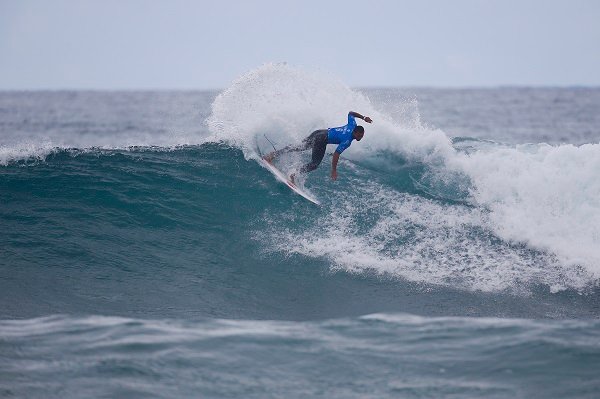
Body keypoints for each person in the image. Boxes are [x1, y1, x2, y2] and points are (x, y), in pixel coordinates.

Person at [263, 111, 372, 184]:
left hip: (319, 132)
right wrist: (334, 170)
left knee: (299, 147)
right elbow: (336, 154)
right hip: (322, 139)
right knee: (314, 164)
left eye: (362, 136)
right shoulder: (347, 141)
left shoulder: (352, 124)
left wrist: (363, 117)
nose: (360, 138)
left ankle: (272, 155)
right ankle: (293, 175)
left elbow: (351, 113)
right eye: (359, 135)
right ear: (355, 132)